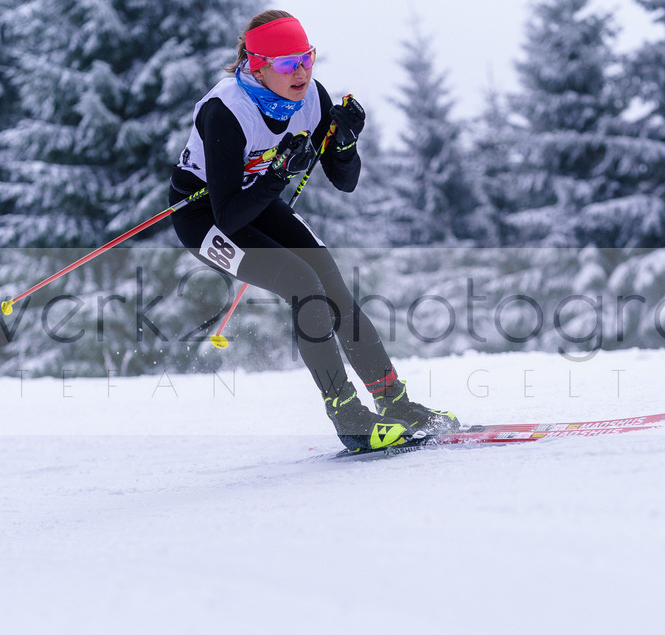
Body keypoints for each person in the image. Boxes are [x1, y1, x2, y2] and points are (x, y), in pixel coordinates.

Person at [168, 10, 458, 452]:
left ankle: (394, 401)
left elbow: (345, 181)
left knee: (332, 283)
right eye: (286, 64)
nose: (300, 71)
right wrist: (279, 174)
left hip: (258, 200)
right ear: (257, 64)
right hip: (205, 215)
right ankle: (347, 416)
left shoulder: (311, 97)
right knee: (303, 284)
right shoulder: (225, 111)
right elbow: (228, 216)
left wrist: (344, 144)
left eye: (306, 58)